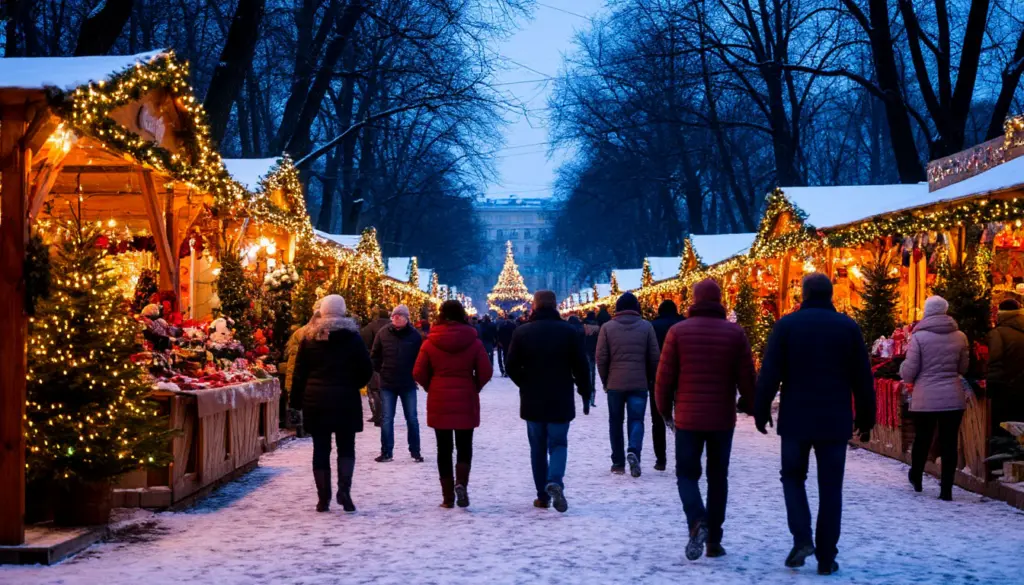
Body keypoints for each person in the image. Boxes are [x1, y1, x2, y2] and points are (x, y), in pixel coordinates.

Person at [754, 273, 874, 576]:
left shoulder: (786, 326)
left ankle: (802, 538)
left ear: (803, 295)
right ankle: (825, 556)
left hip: (796, 417)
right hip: (834, 419)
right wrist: (866, 416)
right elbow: (862, 376)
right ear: (830, 295)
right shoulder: (848, 327)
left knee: (793, 478)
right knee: (831, 487)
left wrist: (761, 408)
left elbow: (770, 372)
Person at [655, 281, 755, 561]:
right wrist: (752, 405)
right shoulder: (735, 333)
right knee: (717, 477)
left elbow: (664, 378)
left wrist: (664, 410)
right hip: (722, 418)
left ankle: (697, 519)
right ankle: (713, 540)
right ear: (720, 300)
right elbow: (747, 376)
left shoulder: (678, 332)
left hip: (688, 417)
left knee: (686, 475)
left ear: (694, 300)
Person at [506, 290, 592, 512]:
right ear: (555, 306)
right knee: (559, 443)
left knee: (537, 448)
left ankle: (542, 496)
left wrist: (525, 383)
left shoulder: (522, 332)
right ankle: (555, 480)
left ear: (534, 306)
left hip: (533, 398)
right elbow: (581, 366)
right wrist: (585, 391)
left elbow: (511, 366)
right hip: (560, 396)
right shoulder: (569, 332)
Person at [290, 295, 373, 512]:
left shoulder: (309, 338)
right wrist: (353, 383)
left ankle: (323, 498)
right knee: (346, 447)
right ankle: (344, 491)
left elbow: (299, 373)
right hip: (346, 399)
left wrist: (295, 403)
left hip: (316, 401)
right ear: (343, 311)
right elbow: (367, 369)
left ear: (322, 311)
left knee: (320, 448)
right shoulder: (353, 338)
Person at [414, 301, 493, 508]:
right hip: (465, 396)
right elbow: (486, 371)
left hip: (439, 397)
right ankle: (462, 483)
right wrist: (473, 385)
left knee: (443, 448)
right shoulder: (474, 342)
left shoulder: (430, 342)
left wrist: (431, 386)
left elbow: (418, 372)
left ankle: (447, 496)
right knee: (465, 445)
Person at [900, 295, 970, 501]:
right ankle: (946, 488)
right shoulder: (960, 336)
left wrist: (904, 370)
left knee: (923, 438)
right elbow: (963, 367)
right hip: (952, 396)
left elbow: (909, 370)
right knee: (949, 442)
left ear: (927, 311)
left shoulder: (919, 337)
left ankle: (917, 477)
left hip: (925, 396)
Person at [597, 292, 660, 478]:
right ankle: (634, 451)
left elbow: (601, 358)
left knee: (615, 422)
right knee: (637, 420)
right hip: (639, 383)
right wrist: (649, 378)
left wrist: (605, 380)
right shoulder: (646, 327)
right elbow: (654, 357)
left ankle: (618, 462)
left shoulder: (607, 328)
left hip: (615, 383)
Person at [371, 305, 424, 463]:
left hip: (407, 382)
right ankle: (386, 452)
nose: (397, 318)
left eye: (400, 315)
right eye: (394, 315)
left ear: (407, 318)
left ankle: (415, 451)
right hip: (388, 382)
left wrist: (415, 374)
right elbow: (375, 355)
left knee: (412, 418)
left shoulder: (414, 336)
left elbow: (420, 358)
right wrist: (381, 370)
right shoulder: (383, 333)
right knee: (387, 418)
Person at [649, 299, 684, 471]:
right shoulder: (684, 324)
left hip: (658, 376)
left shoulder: (653, 326)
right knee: (683, 418)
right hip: (682, 378)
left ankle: (660, 459)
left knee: (658, 419)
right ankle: (682, 456)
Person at [987, 299, 1024, 437]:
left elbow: (994, 360)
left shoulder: (998, 333)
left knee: (1004, 428)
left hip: (1005, 389)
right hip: (1021, 386)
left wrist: (992, 386)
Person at [360, 308, 391, 426]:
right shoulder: (393, 327)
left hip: (374, 361)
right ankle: (386, 414)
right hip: (389, 363)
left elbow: (363, 340)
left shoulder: (370, 326)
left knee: (374, 389)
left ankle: (377, 415)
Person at [583, 311, 600, 407]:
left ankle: (587, 396)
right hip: (594, 352)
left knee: (586, 374)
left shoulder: (584, 327)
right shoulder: (598, 327)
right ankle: (592, 399)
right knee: (592, 374)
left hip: (585, 352)